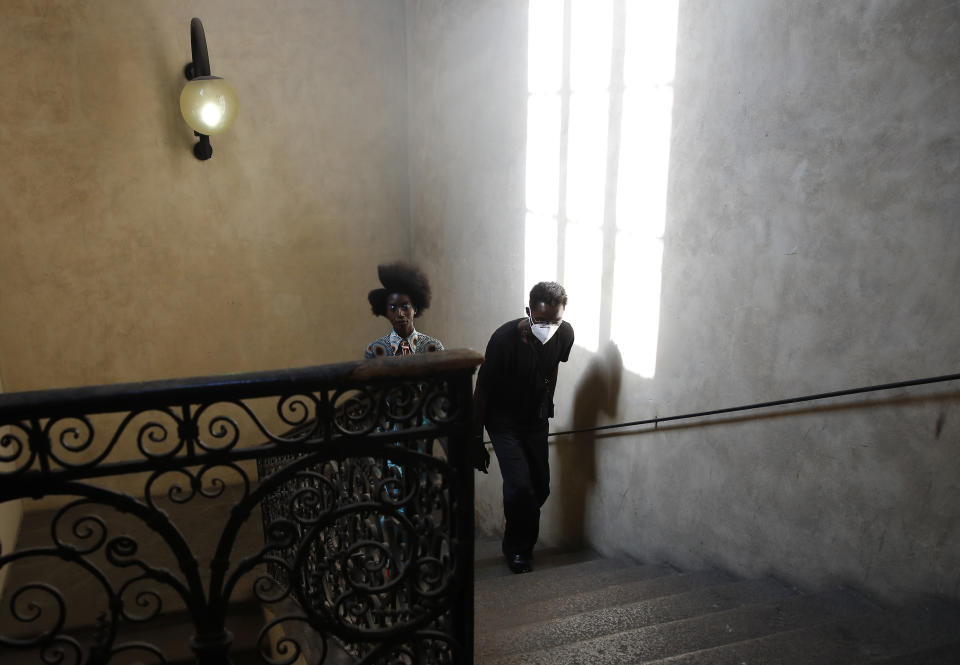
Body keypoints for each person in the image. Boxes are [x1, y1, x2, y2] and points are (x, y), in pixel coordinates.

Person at [473, 281, 574, 574]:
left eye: (555, 321)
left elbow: (553, 365)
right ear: (528, 311)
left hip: (534, 419)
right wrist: (475, 439)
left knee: (540, 487)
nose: (548, 327)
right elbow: (482, 391)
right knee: (519, 485)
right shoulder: (503, 340)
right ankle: (518, 550)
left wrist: (548, 404)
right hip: (502, 420)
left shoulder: (564, 334)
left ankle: (517, 529)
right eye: (541, 321)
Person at [364, 262, 444, 358]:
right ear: (386, 312)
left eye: (405, 307)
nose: (400, 313)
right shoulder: (375, 350)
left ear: (415, 308)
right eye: (393, 308)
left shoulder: (433, 348)